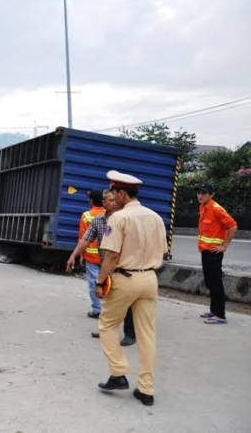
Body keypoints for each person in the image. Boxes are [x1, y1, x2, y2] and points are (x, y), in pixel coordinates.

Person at [94, 170, 168, 407]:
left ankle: (118, 373)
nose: (112, 198)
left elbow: (112, 254)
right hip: (149, 279)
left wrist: (99, 282)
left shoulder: (118, 218)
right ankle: (146, 390)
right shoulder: (155, 217)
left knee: (107, 325)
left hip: (125, 279)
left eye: (114, 193)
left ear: (123, 193)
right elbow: (163, 251)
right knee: (147, 334)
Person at [66, 190, 135, 346]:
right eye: (110, 200)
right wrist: (73, 256)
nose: (114, 202)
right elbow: (85, 239)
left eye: (115, 199)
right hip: (107, 267)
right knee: (108, 300)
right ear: (103, 203)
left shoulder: (126, 219)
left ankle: (130, 334)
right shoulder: (97, 220)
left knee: (127, 302)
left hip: (125, 268)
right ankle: (106, 330)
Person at [195, 182, 237, 325]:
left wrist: (224, 245)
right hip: (205, 251)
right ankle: (214, 311)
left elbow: (233, 226)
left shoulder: (216, 209)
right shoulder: (203, 207)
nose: (200, 196)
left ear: (211, 195)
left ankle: (220, 315)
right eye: (199, 192)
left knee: (215, 283)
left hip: (214, 253)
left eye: (204, 193)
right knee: (210, 282)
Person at [73, 189, 105, 319]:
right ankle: (110, 310)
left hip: (91, 257)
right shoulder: (109, 214)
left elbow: (83, 238)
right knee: (108, 282)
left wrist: (80, 255)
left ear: (91, 201)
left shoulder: (86, 215)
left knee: (93, 283)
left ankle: (97, 310)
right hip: (107, 257)